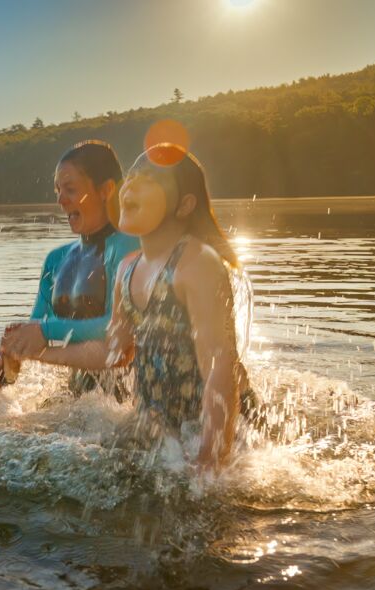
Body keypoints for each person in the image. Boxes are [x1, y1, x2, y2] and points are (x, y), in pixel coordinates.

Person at [14, 145, 252, 473]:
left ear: (184, 205)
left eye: (150, 180)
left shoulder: (196, 263)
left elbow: (220, 366)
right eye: (133, 177)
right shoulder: (127, 268)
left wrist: (210, 463)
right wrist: (35, 353)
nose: (132, 186)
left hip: (215, 432)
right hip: (158, 431)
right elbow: (112, 354)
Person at [0, 140, 140, 393]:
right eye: (57, 191)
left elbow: (116, 328)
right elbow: (37, 328)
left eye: (70, 189)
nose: (61, 200)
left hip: (130, 401)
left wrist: (44, 332)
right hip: (78, 404)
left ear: (106, 189)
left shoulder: (129, 248)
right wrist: (12, 353)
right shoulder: (56, 259)